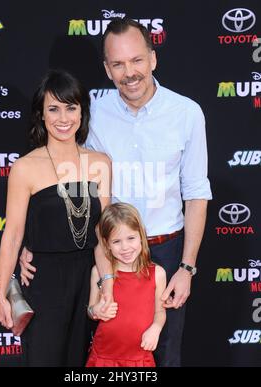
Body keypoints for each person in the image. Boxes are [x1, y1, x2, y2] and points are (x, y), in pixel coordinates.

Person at [20, 18, 212, 366]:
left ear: (153, 59)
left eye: (137, 60)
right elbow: (59, 176)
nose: (130, 72)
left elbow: (197, 191)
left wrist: (187, 266)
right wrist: (32, 244)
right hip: (105, 254)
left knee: (163, 351)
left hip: (165, 252)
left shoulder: (187, 113)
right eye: (119, 64)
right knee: (103, 353)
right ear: (107, 69)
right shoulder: (91, 112)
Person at [0, 69, 111, 366]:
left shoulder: (101, 164)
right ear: (41, 115)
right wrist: (0, 292)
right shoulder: (25, 168)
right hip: (44, 283)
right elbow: (13, 235)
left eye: (71, 108)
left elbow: (102, 235)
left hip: (88, 279)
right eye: (53, 109)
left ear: (82, 112)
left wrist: (107, 284)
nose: (63, 118)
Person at [85, 202, 166, 367]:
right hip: (103, 357)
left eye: (131, 238)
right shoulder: (99, 272)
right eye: (116, 241)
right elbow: (91, 310)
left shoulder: (157, 273)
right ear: (106, 244)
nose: (125, 247)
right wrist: (97, 310)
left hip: (140, 359)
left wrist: (156, 329)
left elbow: (160, 312)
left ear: (141, 236)